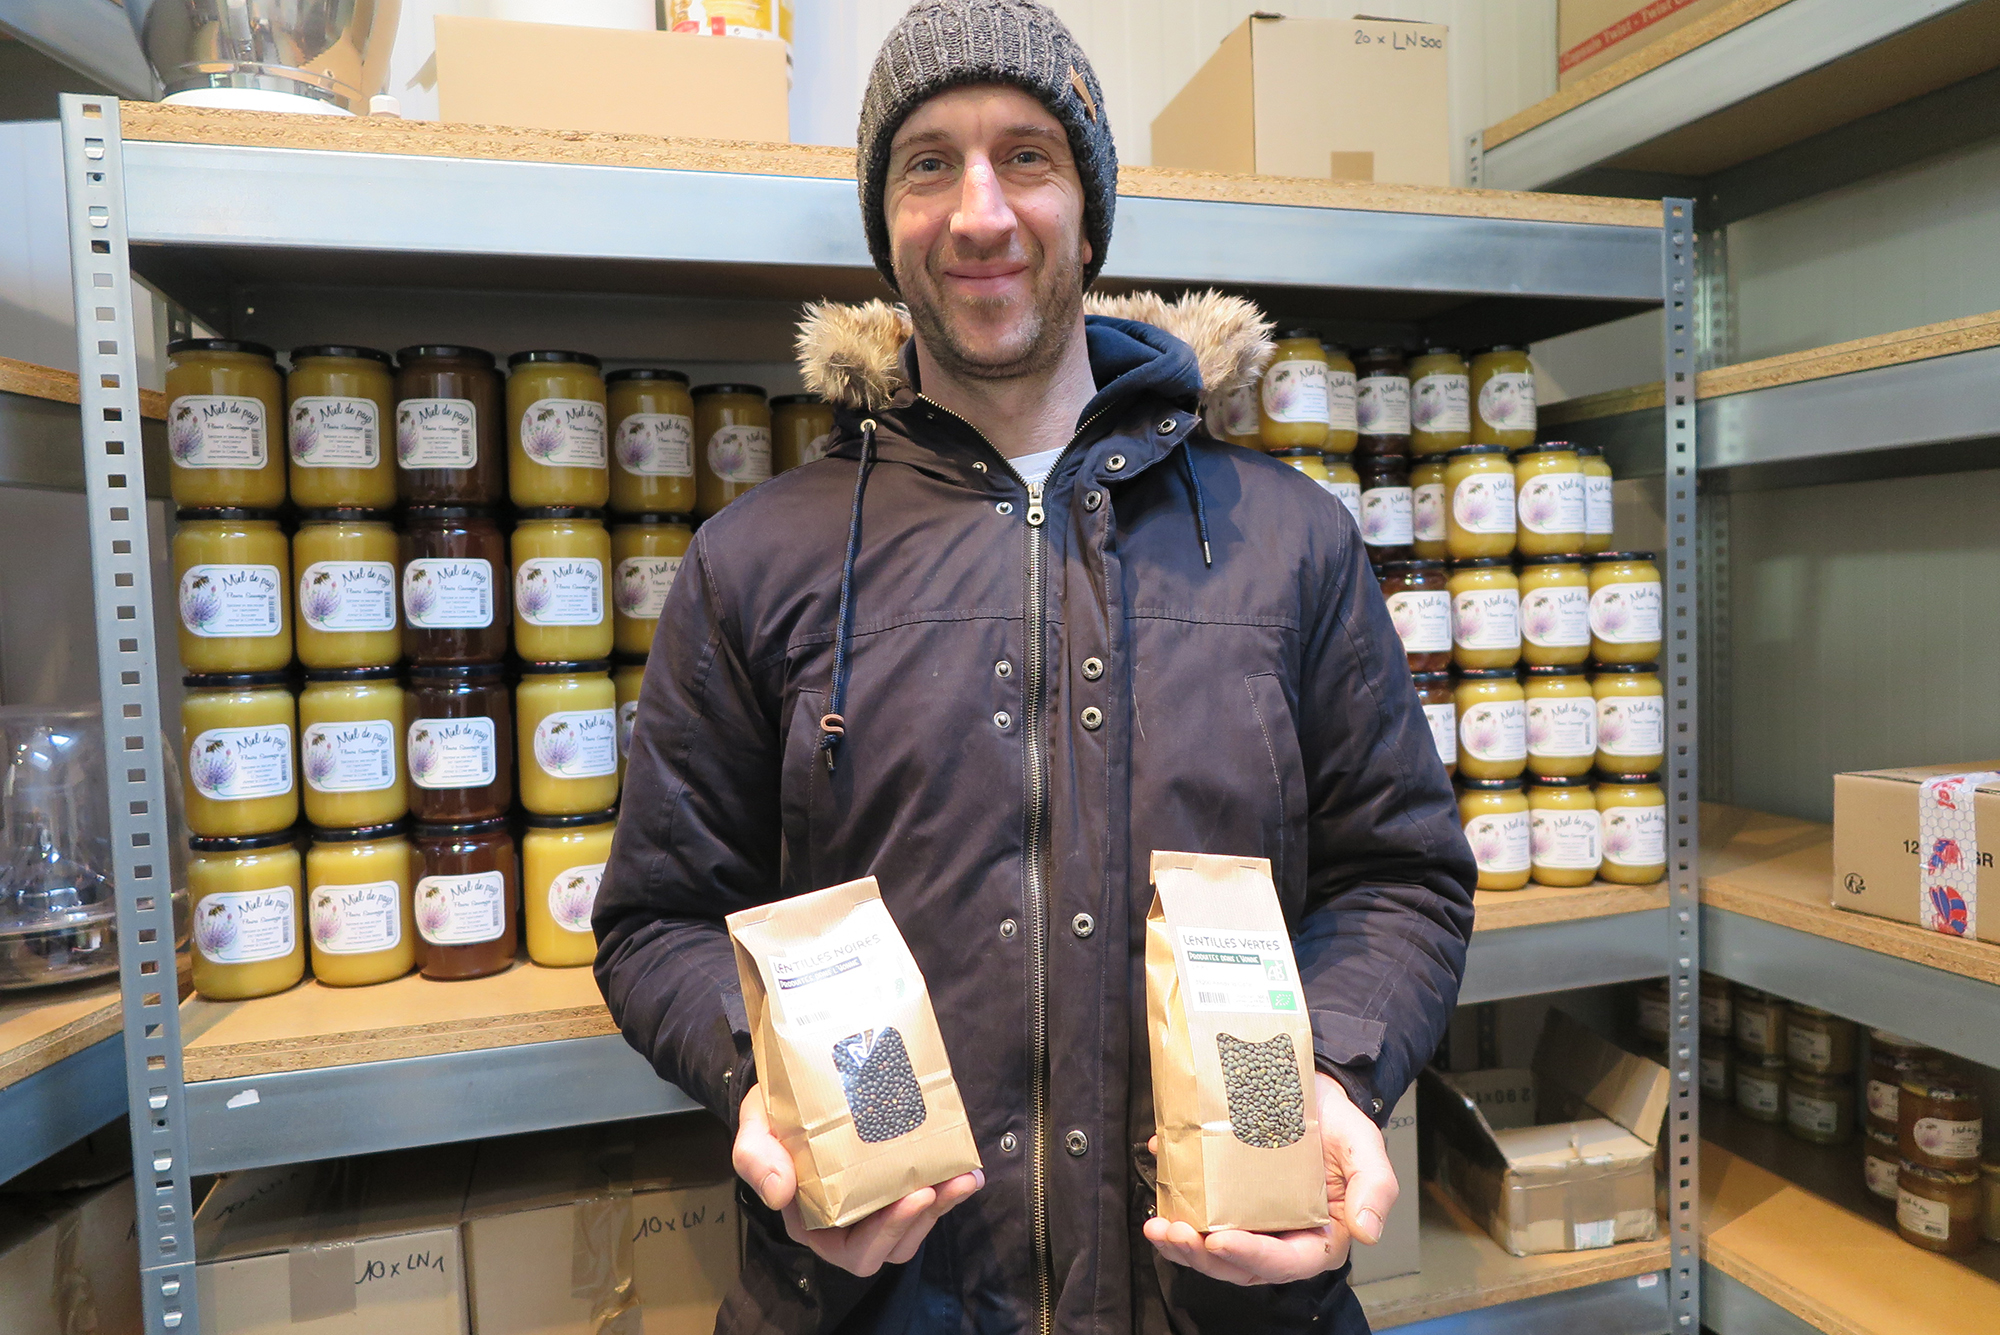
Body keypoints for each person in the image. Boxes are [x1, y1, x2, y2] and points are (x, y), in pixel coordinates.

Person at [595, 1, 1477, 1330]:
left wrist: (1339, 1075)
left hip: (1221, 1296)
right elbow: (658, 918)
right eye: (928, 163)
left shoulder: (1287, 540)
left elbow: (1401, 876)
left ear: (1089, 204)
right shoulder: (757, 560)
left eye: (1027, 156)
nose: (981, 213)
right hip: (880, 1299)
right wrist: (761, 1082)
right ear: (884, 218)